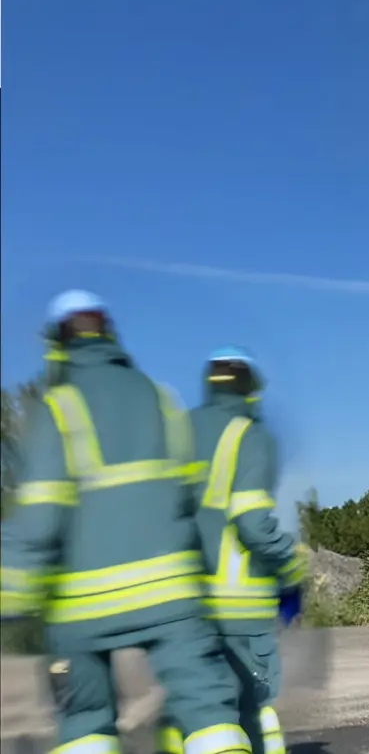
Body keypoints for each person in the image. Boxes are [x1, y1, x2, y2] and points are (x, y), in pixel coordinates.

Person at [0, 290, 253, 754]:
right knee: (207, 710)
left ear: (56, 343)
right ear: (110, 334)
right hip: (171, 593)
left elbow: (39, 515)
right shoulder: (161, 398)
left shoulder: (59, 406)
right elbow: (193, 498)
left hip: (81, 603)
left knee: (85, 721)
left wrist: (11, 592)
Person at [156, 346, 305, 754]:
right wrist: (290, 572)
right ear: (251, 389)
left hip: (177, 603)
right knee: (253, 710)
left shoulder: (178, 432)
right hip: (237, 607)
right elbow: (252, 522)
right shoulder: (250, 435)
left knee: (190, 709)